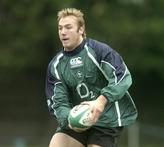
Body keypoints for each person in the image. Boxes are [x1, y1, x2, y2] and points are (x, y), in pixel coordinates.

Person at [45, 8, 138, 147]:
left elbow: (122, 77)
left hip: (107, 119)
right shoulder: (56, 65)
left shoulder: (100, 51)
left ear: (81, 29)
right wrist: (69, 119)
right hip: (77, 121)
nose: (63, 32)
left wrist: (101, 101)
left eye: (68, 27)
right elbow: (58, 102)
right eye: (60, 28)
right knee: (57, 144)